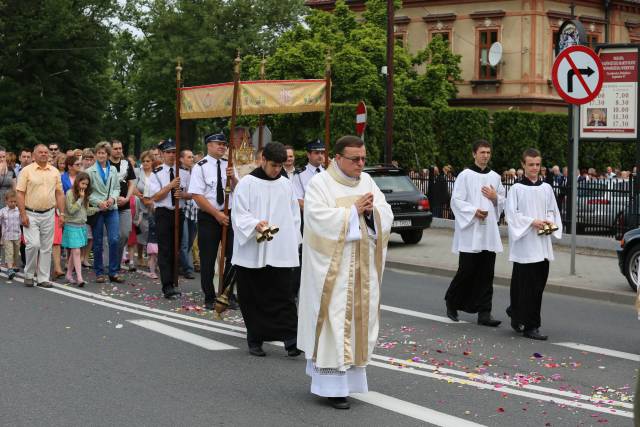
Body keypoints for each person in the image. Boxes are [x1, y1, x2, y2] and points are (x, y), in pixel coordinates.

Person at [297, 135, 393, 410]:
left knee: (356, 323)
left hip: (361, 266)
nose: (360, 164)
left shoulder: (367, 181)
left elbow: (385, 213)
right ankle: (331, 387)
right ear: (337, 158)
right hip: (333, 271)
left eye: (363, 158)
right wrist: (352, 212)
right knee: (334, 322)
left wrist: (371, 213)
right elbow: (316, 221)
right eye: (355, 159)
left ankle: (349, 383)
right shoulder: (320, 184)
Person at [231, 142, 302, 357]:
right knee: (254, 296)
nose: (277, 170)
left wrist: (292, 242)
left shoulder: (286, 184)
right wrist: (255, 224)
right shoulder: (247, 183)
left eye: (280, 166)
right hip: (252, 249)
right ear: (262, 159)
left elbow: (293, 216)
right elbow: (239, 213)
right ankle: (255, 338)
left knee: (284, 295)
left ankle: (291, 339)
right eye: (273, 165)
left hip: (280, 250)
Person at [444, 140, 505, 326]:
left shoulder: (495, 177)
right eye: (482, 152)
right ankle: (452, 301)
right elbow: (456, 201)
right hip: (471, 230)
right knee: (467, 270)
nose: (485, 155)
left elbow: (502, 200)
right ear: (474, 154)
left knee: (487, 272)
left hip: (489, 232)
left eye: (488, 152)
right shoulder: (465, 175)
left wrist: (496, 199)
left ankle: (484, 312)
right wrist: (473, 211)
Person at [505, 148, 562, 341]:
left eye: (537, 164)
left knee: (537, 286)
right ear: (523, 165)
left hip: (542, 244)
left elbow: (553, 212)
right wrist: (532, 222)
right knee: (525, 286)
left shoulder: (546, 188)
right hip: (525, 245)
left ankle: (516, 312)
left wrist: (546, 226)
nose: (534, 168)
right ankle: (532, 325)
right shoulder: (516, 189)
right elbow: (512, 216)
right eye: (531, 164)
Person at [188, 132, 238, 310]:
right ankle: (209, 295)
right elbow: (196, 195)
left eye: (224, 144)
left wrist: (232, 178)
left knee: (232, 256)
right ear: (208, 145)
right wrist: (216, 214)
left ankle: (227, 293)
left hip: (229, 214)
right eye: (219, 143)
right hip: (209, 216)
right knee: (208, 258)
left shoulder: (229, 165)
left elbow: (239, 191)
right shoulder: (200, 167)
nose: (222, 147)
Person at [16, 144, 65, 288]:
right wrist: (22, 213)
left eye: (46, 152)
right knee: (33, 245)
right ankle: (29, 274)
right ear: (34, 155)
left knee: (46, 247)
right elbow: (20, 193)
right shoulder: (26, 171)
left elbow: (59, 193)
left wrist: (62, 214)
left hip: (49, 213)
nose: (44, 154)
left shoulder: (54, 171)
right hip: (31, 213)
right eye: (40, 152)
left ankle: (43, 278)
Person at [145, 139, 183, 299]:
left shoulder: (184, 172)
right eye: (168, 152)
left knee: (176, 248)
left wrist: (183, 194)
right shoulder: (157, 173)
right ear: (162, 154)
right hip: (163, 213)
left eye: (174, 152)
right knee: (165, 249)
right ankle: (167, 285)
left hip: (179, 212)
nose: (171, 155)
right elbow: (156, 197)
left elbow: (188, 194)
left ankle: (174, 282)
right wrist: (170, 185)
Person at [86, 141, 123, 284]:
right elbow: (87, 192)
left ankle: (113, 271)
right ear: (96, 155)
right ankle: (99, 272)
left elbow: (116, 188)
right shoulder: (89, 171)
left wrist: (113, 199)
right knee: (98, 241)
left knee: (114, 238)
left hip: (111, 208)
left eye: (104, 153)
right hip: (98, 209)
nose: (101, 155)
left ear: (108, 155)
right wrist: (98, 202)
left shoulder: (113, 170)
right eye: (99, 153)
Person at [62, 172, 96, 287]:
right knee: (76, 251)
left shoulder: (85, 195)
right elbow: (71, 210)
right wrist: (80, 199)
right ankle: (80, 278)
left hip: (81, 226)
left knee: (74, 253)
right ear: (77, 182)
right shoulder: (70, 193)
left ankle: (68, 274)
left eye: (86, 184)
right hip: (71, 225)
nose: (84, 187)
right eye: (82, 183)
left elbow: (86, 211)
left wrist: (99, 208)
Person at [109, 140, 137, 271]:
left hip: (124, 205)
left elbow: (132, 182)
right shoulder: (106, 164)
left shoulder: (126, 164)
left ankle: (116, 260)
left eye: (120, 148)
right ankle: (111, 264)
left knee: (125, 234)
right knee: (112, 237)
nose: (119, 151)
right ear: (110, 150)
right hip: (110, 205)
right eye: (115, 148)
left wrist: (127, 198)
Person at [179, 149, 196, 279]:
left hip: (195, 211)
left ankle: (181, 263)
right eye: (189, 157)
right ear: (181, 159)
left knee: (190, 241)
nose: (192, 159)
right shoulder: (178, 173)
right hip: (184, 210)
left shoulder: (196, 171)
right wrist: (189, 195)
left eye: (192, 157)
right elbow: (181, 194)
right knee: (184, 241)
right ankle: (187, 269)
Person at [0, 190, 21, 279]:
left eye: (15, 202)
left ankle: (13, 265)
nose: (13, 203)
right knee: (9, 252)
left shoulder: (18, 211)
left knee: (16, 253)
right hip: (7, 236)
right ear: (6, 201)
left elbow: (22, 222)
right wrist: (1, 237)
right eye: (11, 202)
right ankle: (9, 269)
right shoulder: (3, 211)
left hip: (17, 235)